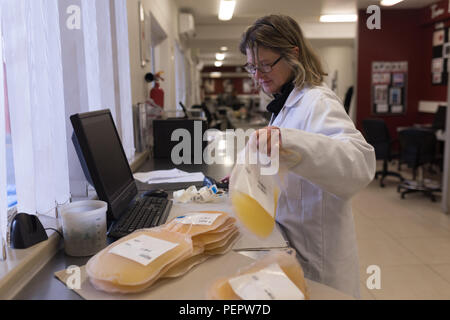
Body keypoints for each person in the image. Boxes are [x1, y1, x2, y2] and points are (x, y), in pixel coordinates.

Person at [233, 14, 376, 298]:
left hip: (319, 256)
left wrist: (290, 143)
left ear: (292, 54)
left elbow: (360, 164)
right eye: (251, 67)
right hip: (292, 243)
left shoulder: (317, 101)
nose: (257, 76)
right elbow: (289, 167)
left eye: (264, 65)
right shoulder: (284, 103)